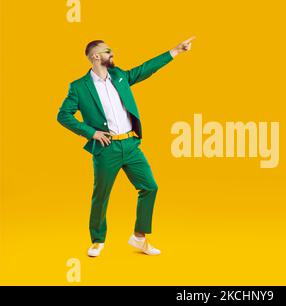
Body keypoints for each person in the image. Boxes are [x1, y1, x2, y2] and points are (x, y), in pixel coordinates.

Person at [57, 37, 195, 257]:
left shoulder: (119, 76)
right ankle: (97, 240)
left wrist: (175, 51)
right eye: (107, 51)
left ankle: (139, 237)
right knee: (101, 196)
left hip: (130, 144)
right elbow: (63, 115)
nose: (112, 53)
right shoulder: (79, 87)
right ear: (96, 56)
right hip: (106, 149)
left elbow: (144, 69)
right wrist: (91, 133)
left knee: (150, 187)